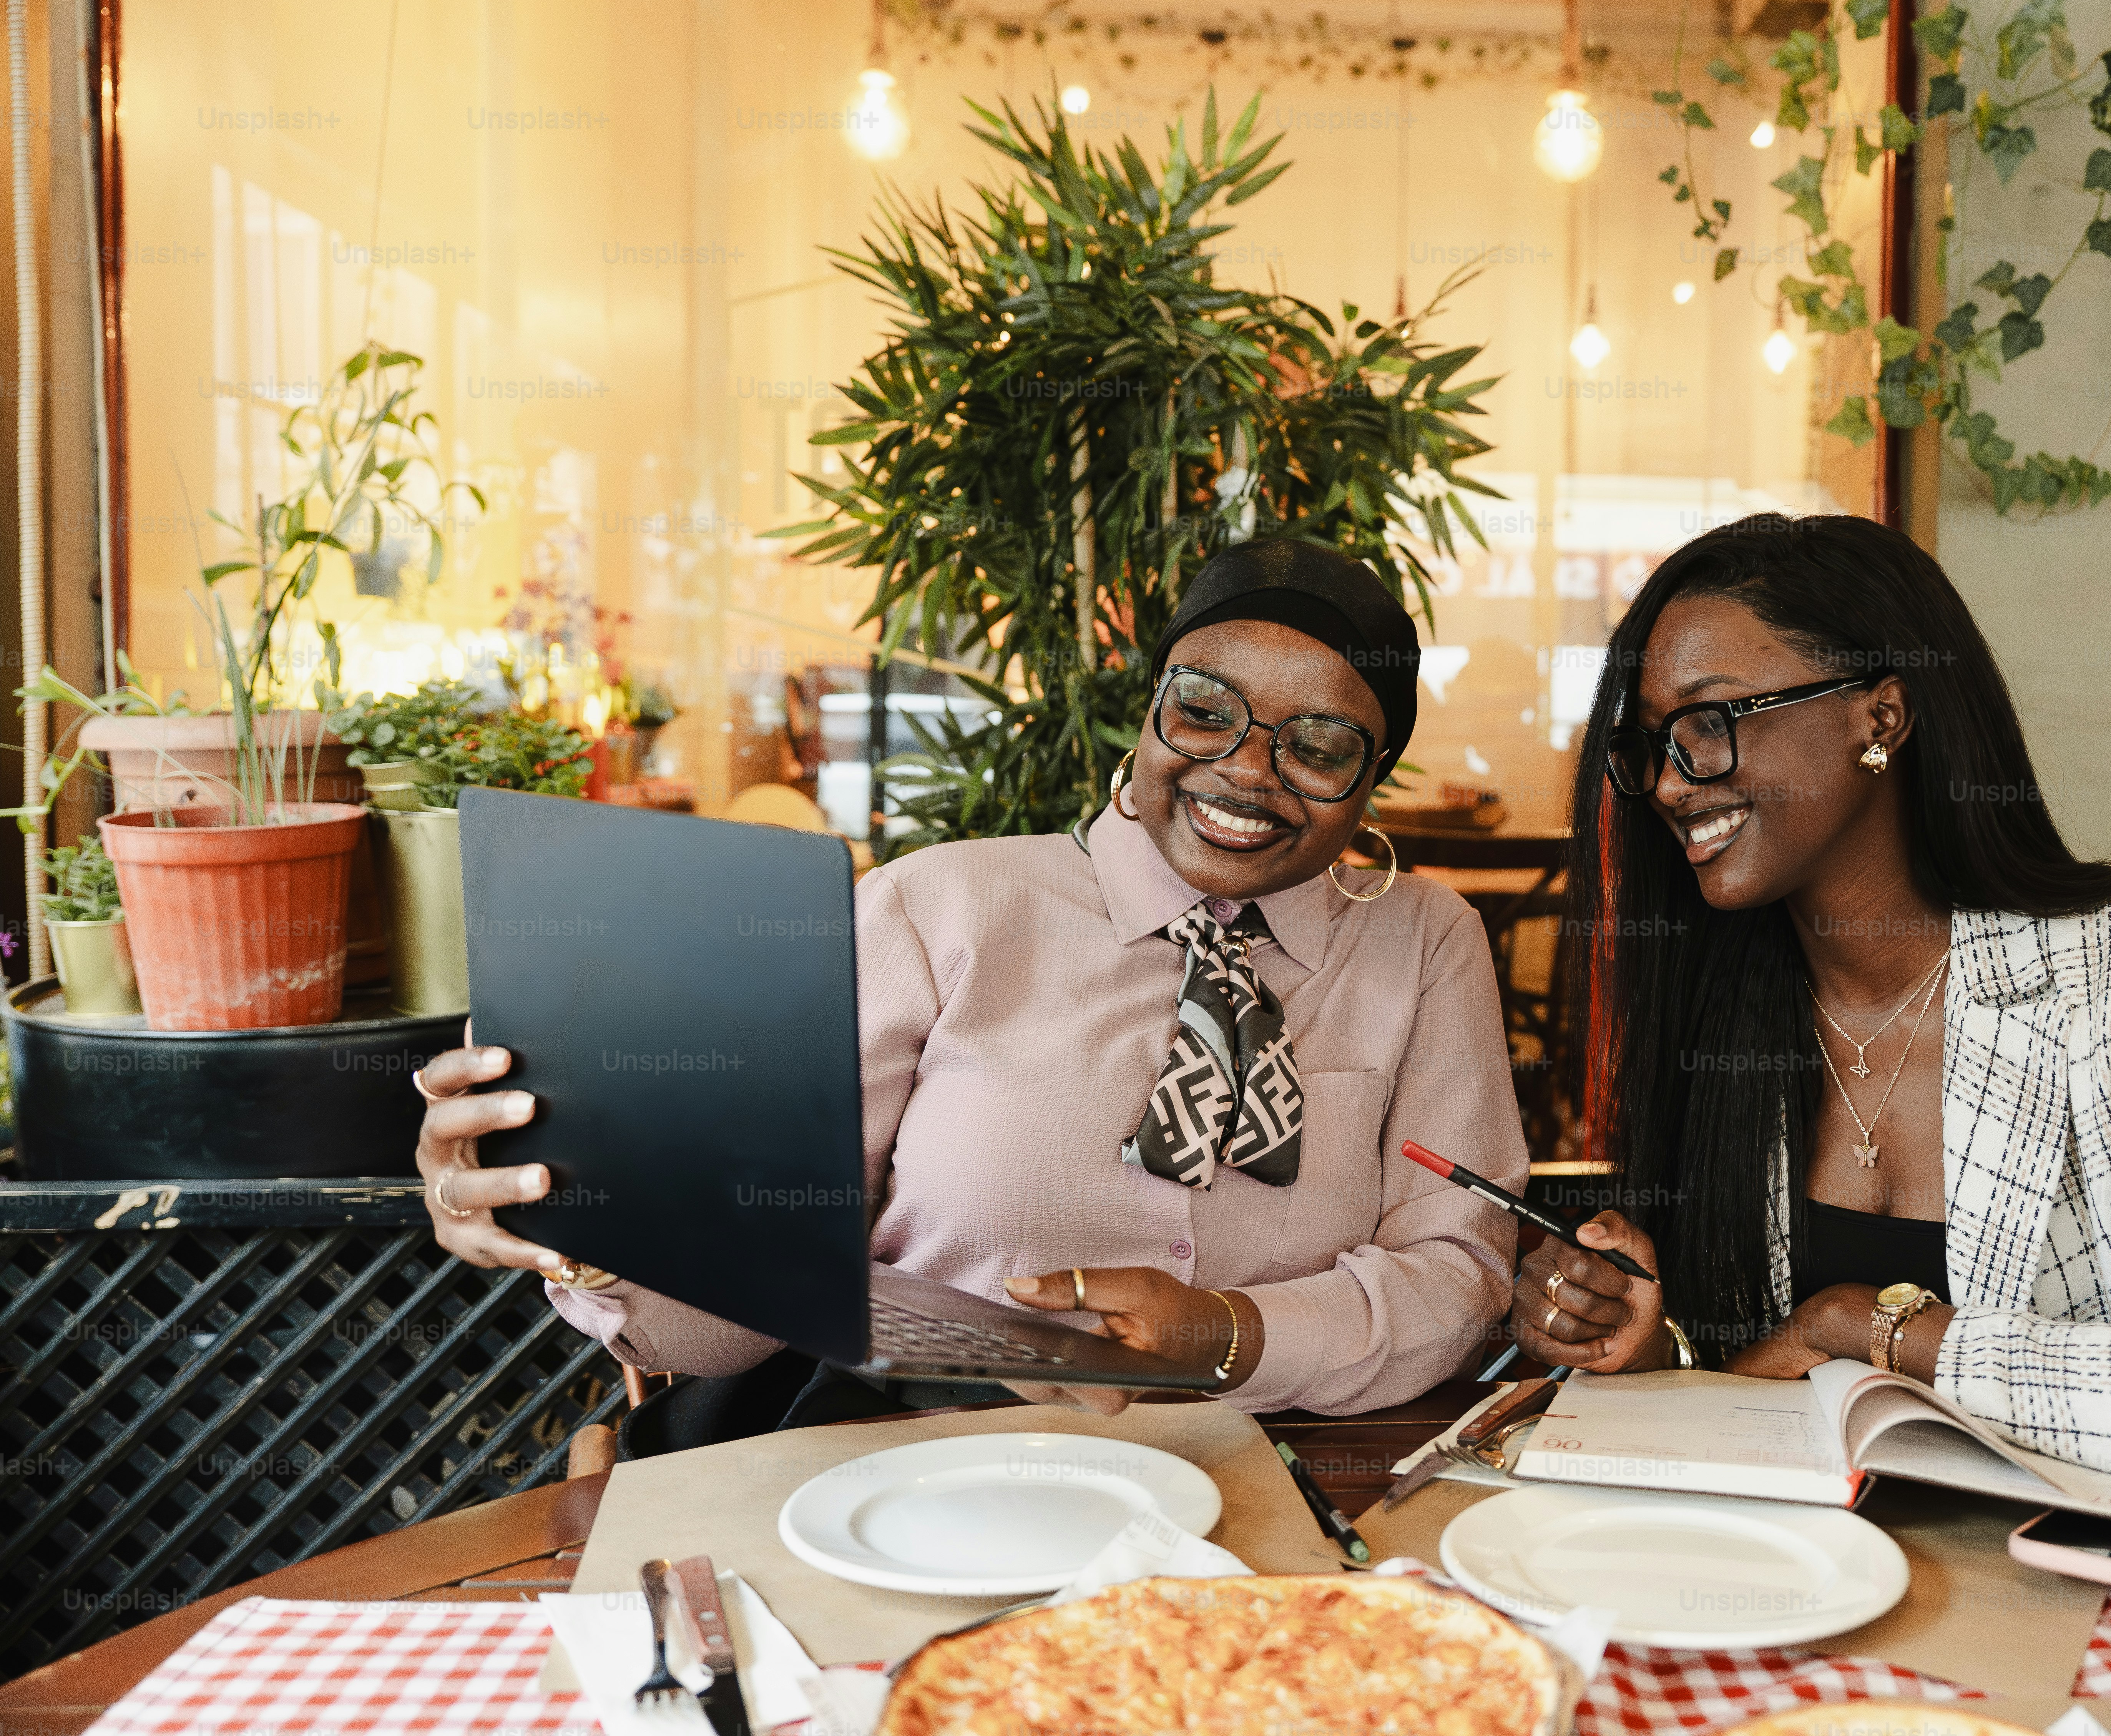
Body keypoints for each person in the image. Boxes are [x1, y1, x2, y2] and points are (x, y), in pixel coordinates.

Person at [413, 537, 1525, 1440]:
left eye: (1320, 746)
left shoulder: (1427, 944)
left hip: (1287, 1469)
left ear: (1369, 786)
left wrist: (1231, 1334)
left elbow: (1459, 1273)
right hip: (913, 1464)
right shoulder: (934, 910)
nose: (1245, 770)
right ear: (1148, 712)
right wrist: (591, 1219)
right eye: (1203, 709)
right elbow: (738, 1315)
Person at [1513, 514, 2111, 1521]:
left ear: (1882, 718)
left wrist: (1863, 1325)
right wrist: (1657, 1352)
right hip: (1847, 1578)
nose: (1664, 781)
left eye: (1710, 720)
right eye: (1649, 745)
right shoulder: (1726, 1000)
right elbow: (1766, 1401)